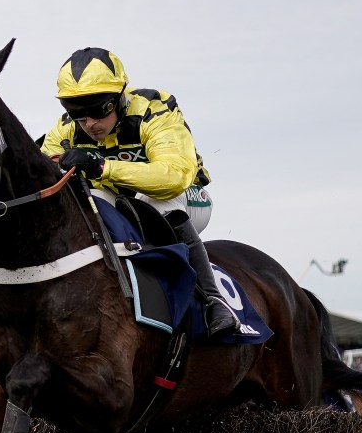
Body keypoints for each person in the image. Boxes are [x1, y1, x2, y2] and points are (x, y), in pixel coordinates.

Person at [41, 47, 239, 339]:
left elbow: (173, 177)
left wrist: (100, 167)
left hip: (186, 195)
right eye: (77, 113)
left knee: (155, 203)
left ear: (120, 96)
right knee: (84, 206)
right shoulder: (66, 128)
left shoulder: (155, 111)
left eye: (99, 109)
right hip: (121, 200)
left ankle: (214, 301)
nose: (90, 123)